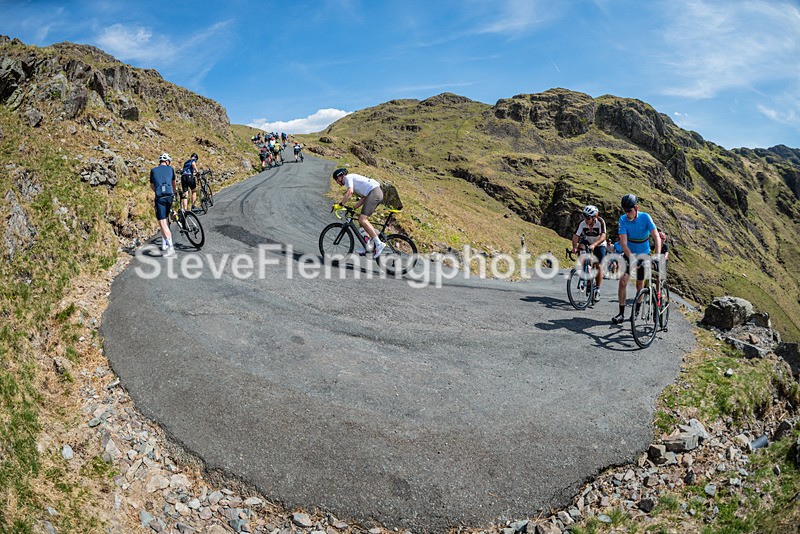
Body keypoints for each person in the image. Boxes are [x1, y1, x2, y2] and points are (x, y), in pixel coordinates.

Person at [612, 194, 661, 324]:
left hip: (644, 254)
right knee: (623, 281)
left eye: (629, 210)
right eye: (625, 210)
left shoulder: (645, 217)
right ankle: (621, 313)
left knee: (640, 285)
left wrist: (657, 255)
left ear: (636, 207)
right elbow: (623, 243)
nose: (627, 213)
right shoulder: (623, 220)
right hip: (629, 254)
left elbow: (656, 237)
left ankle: (637, 309)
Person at [331, 168, 385, 257]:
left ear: (340, 176)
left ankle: (379, 244)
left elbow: (350, 192)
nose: (337, 182)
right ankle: (368, 246)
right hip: (374, 193)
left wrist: (340, 204)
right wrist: (354, 207)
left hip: (374, 192)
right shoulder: (353, 181)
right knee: (362, 222)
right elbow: (364, 197)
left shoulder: (348, 178)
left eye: (336, 180)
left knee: (362, 220)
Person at [570, 205, 607, 302]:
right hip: (588, 242)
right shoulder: (582, 223)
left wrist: (594, 245)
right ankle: (586, 273)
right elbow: (575, 236)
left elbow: (603, 237)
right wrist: (574, 247)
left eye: (588, 217)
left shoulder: (600, 222)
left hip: (599, 243)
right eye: (584, 216)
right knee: (581, 248)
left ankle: (597, 289)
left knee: (598, 266)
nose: (585, 219)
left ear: (594, 217)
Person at [150, 153, 177, 257]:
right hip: (170, 196)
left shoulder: (153, 171)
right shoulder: (171, 169)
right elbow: (173, 183)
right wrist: (174, 192)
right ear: (167, 161)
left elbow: (152, 185)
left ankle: (171, 248)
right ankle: (164, 243)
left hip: (160, 197)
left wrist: (156, 191)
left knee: (162, 222)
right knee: (166, 219)